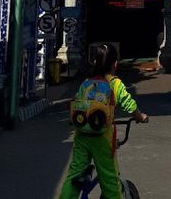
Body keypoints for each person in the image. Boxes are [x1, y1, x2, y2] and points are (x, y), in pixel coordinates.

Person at [59, 42, 148, 199]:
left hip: (81, 136)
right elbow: (129, 104)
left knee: (74, 175)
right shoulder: (114, 84)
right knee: (109, 178)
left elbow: (76, 103)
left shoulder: (86, 82)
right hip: (102, 138)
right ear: (115, 64)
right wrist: (140, 117)